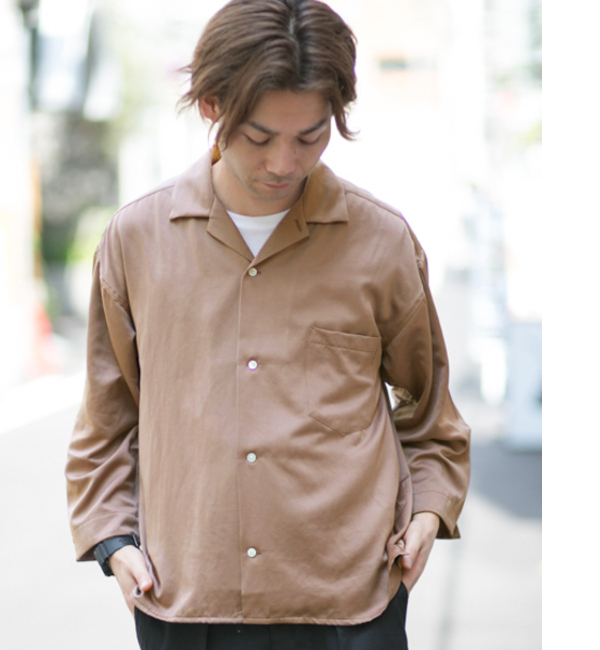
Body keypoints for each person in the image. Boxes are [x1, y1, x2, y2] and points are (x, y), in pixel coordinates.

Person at [65, 1, 470, 648]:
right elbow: (107, 418)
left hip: (351, 605)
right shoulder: (136, 240)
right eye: (259, 137)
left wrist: (426, 512)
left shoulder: (382, 242)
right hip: (185, 602)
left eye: (310, 137)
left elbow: (430, 413)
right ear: (212, 106)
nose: (284, 162)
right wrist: (114, 540)